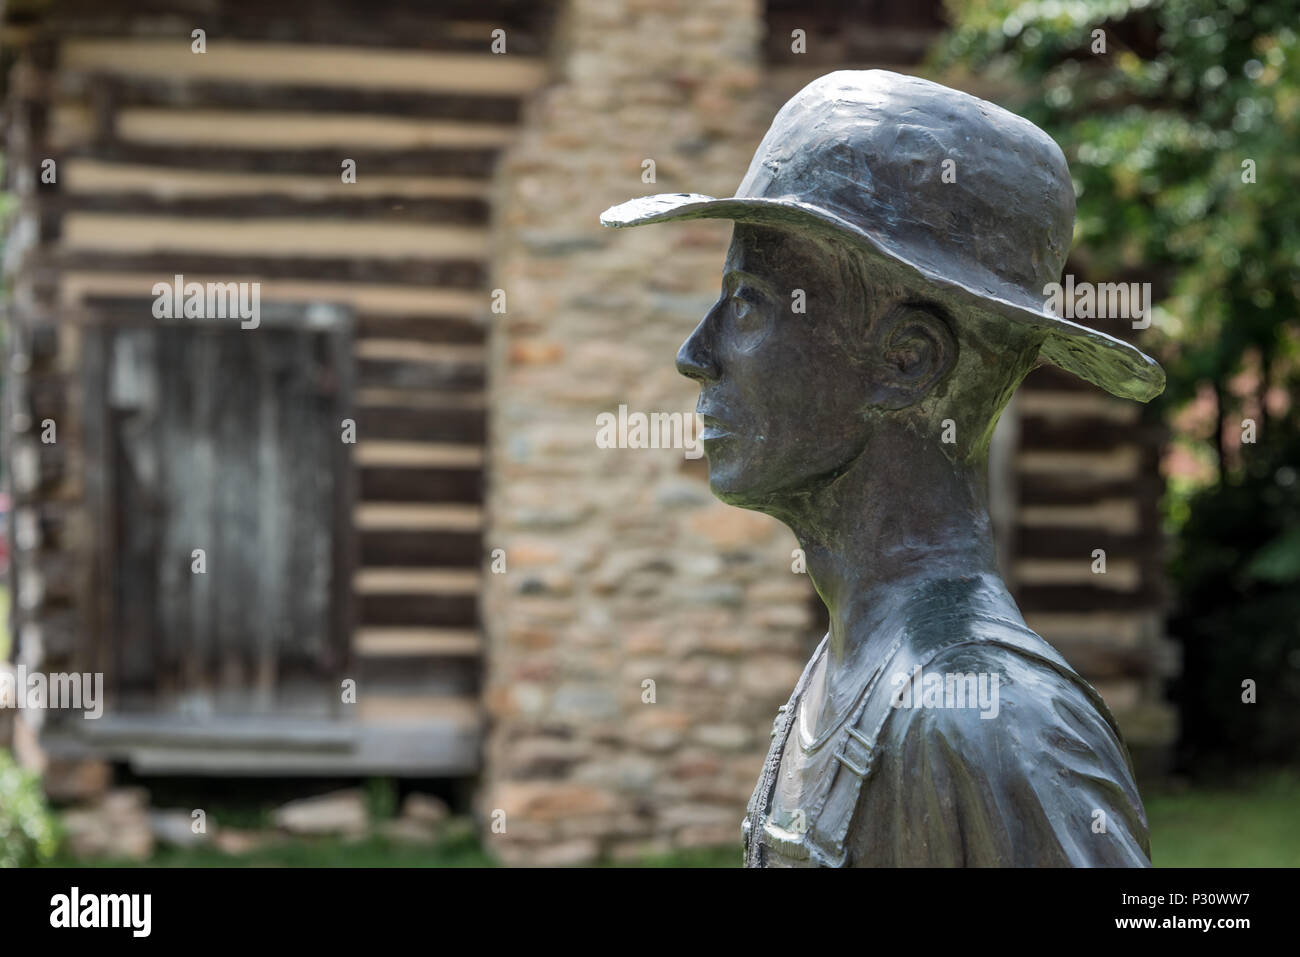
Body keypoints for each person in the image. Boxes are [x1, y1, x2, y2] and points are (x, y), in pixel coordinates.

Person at [600, 70, 1160, 867]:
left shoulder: (987, 723)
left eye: (751, 303)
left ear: (906, 362)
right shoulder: (852, 668)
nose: (696, 355)